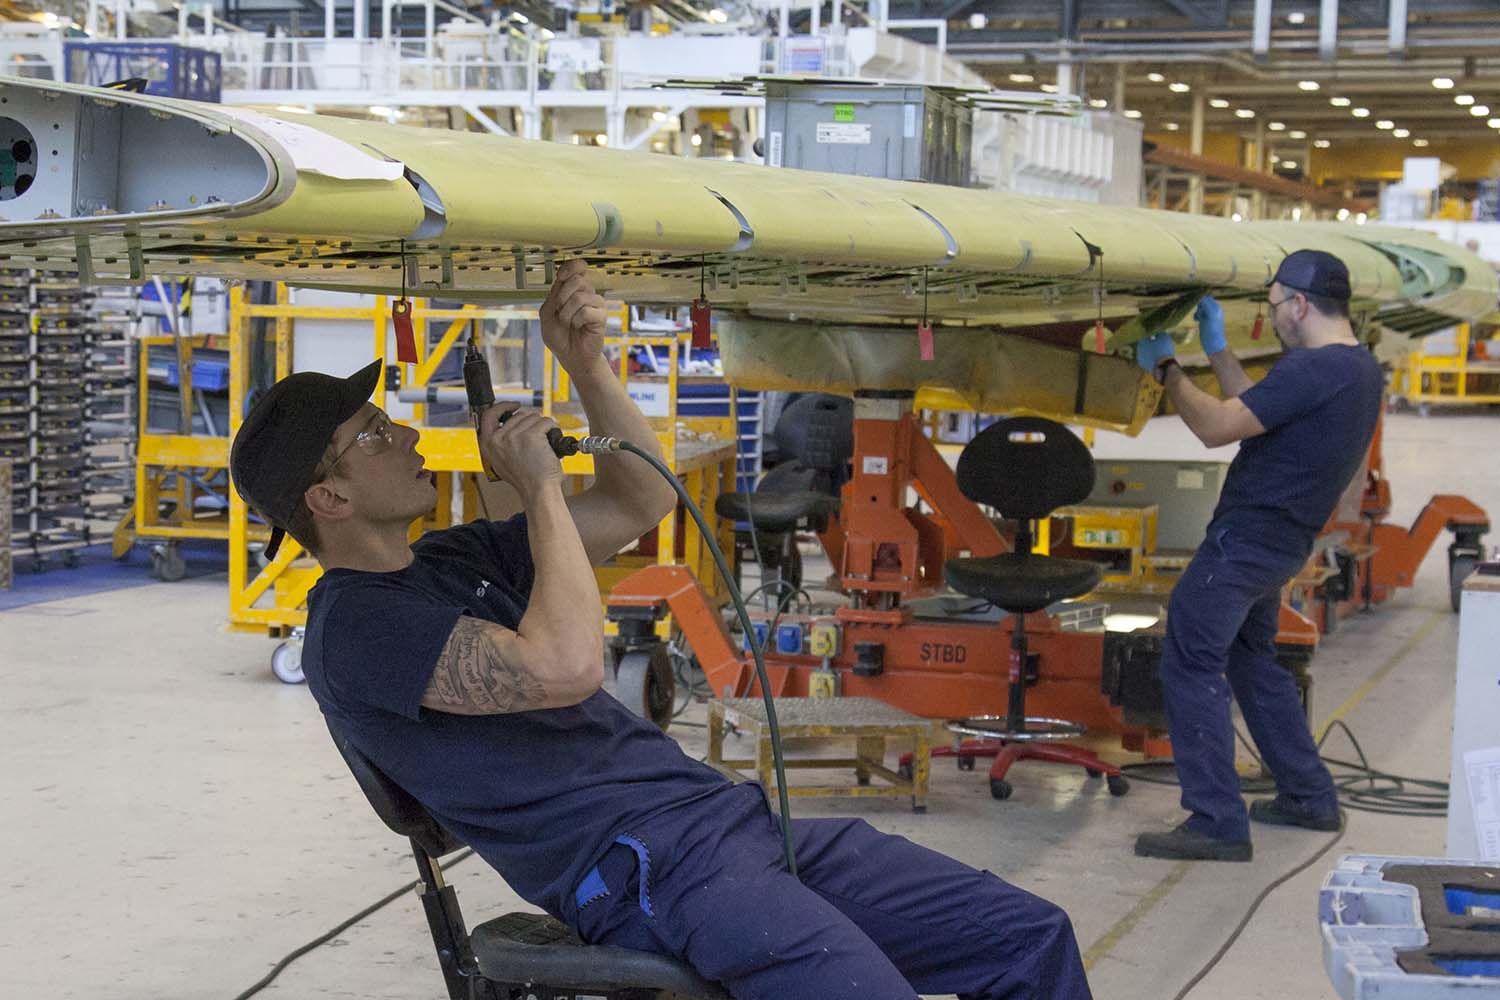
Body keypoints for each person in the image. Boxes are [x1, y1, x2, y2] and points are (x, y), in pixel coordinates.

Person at [229, 260, 1091, 1000]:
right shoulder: (354, 628)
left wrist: (587, 365)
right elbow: (564, 666)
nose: (408, 433)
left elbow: (644, 499)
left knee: (1030, 936)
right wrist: (535, 491)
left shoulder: (452, 560)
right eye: (375, 435)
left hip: (727, 821)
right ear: (328, 499)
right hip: (649, 868)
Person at [1130, 250, 1384, 862]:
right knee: (1253, 663)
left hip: (1242, 544)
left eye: (1273, 308)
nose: (1273, 320)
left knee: (1189, 662)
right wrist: (1216, 351)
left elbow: (1218, 426)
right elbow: (1258, 412)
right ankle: (1308, 796)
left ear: (1299, 304)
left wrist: (1167, 368)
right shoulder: (1358, 369)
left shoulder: (1313, 371)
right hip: (1280, 546)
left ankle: (1216, 819)